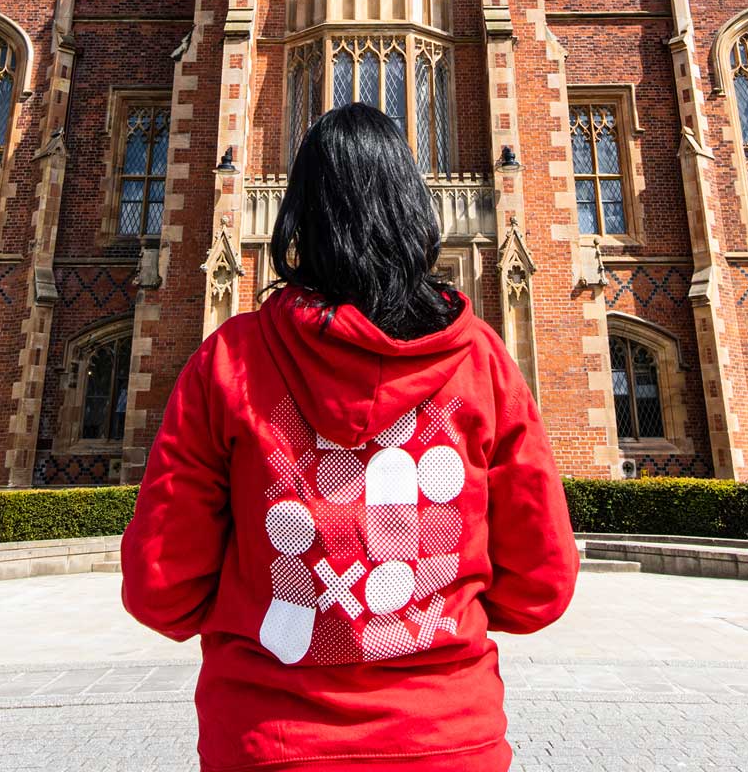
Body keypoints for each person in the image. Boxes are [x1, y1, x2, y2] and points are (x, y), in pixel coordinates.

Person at [120, 103, 580, 772]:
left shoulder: (228, 364)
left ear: (300, 217)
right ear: (415, 213)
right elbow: (541, 582)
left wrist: (279, 603)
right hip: (446, 739)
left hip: (272, 740)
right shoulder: (482, 364)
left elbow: (162, 591)